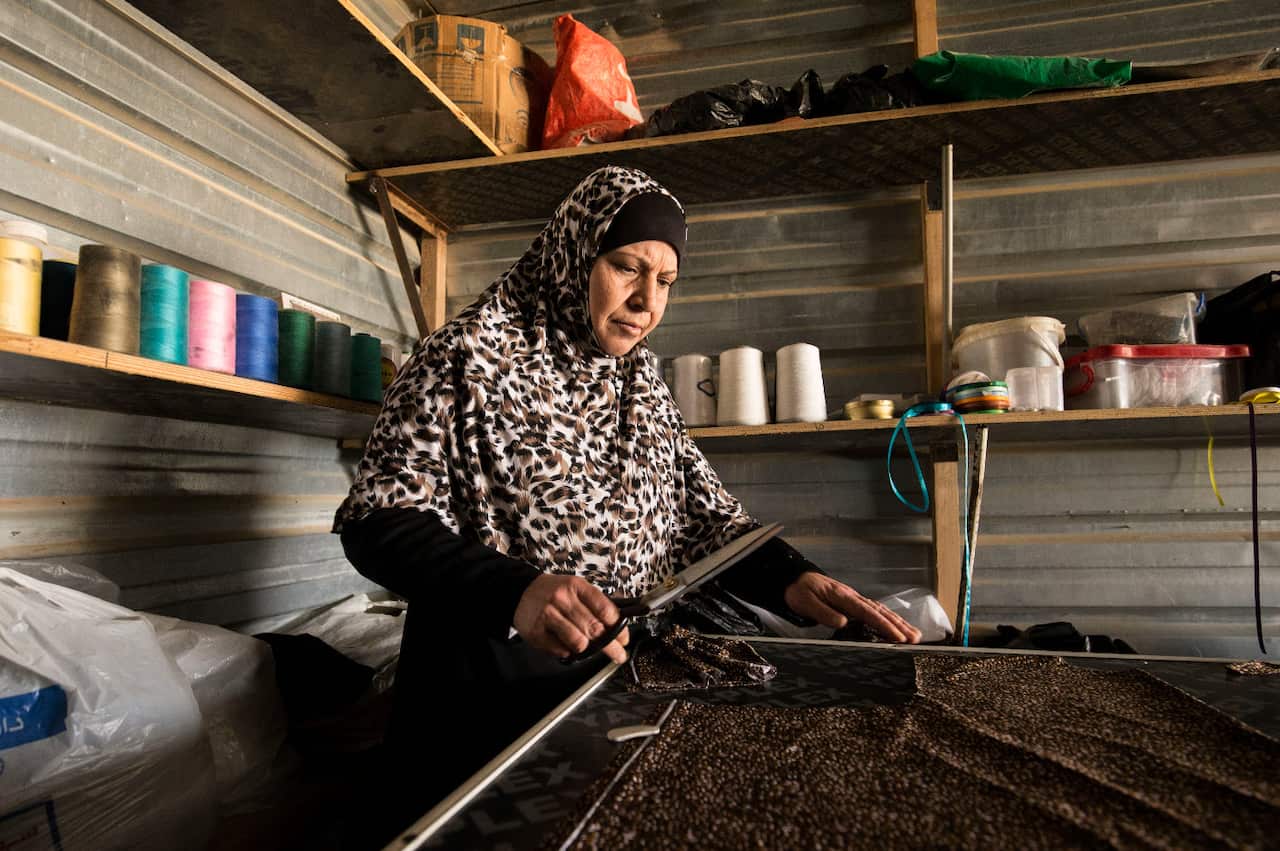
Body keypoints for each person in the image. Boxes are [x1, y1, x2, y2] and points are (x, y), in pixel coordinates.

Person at [334, 166, 921, 820]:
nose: (647, 301)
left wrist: (792, 578)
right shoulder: (466, 359)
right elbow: (377, 522)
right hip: (485, 699)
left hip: (610, 683)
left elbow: (702, 519)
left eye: (665, 281)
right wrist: (516, 591)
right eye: (626, 268)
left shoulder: (638, 384)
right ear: (573, 257)